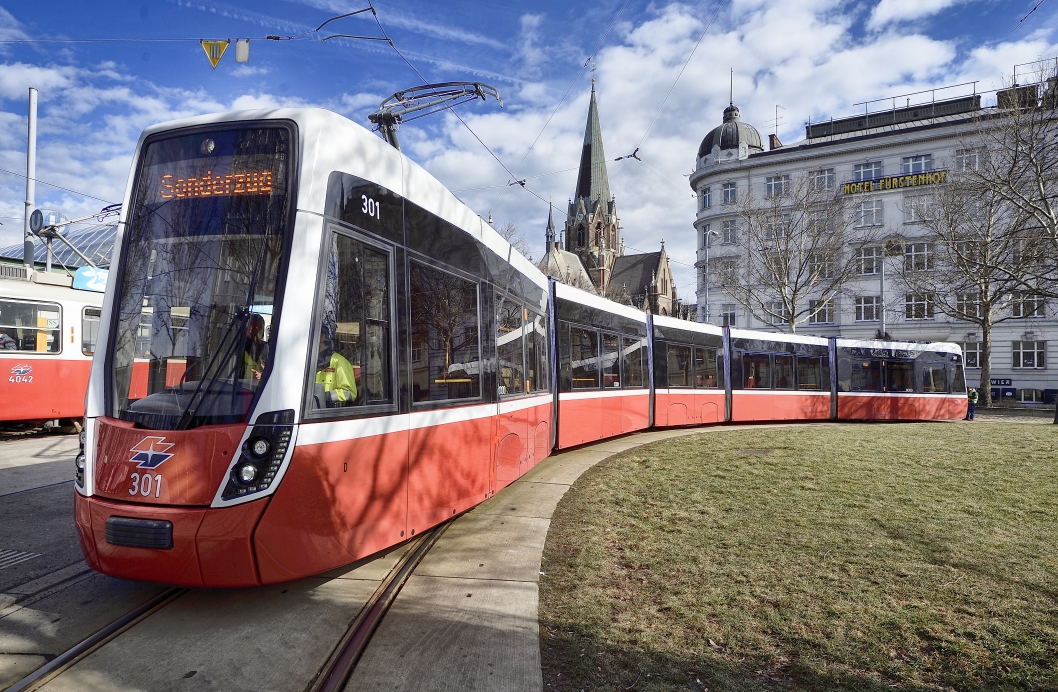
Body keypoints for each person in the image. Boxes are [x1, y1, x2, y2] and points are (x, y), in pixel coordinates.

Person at [315, 330, 356, 406]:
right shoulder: (310, 361)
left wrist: (326, 396)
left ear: (322, 337)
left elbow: (350, 393)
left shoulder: (340, 362)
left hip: (329, 412)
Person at [242, 313, 269, 382]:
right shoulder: (240, 345)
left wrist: (263, 375)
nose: (251, 329)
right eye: (250, 326)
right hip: (240, 385)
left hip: (258, 389)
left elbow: (271, 371)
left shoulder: (266, 348)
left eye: (255, 327)